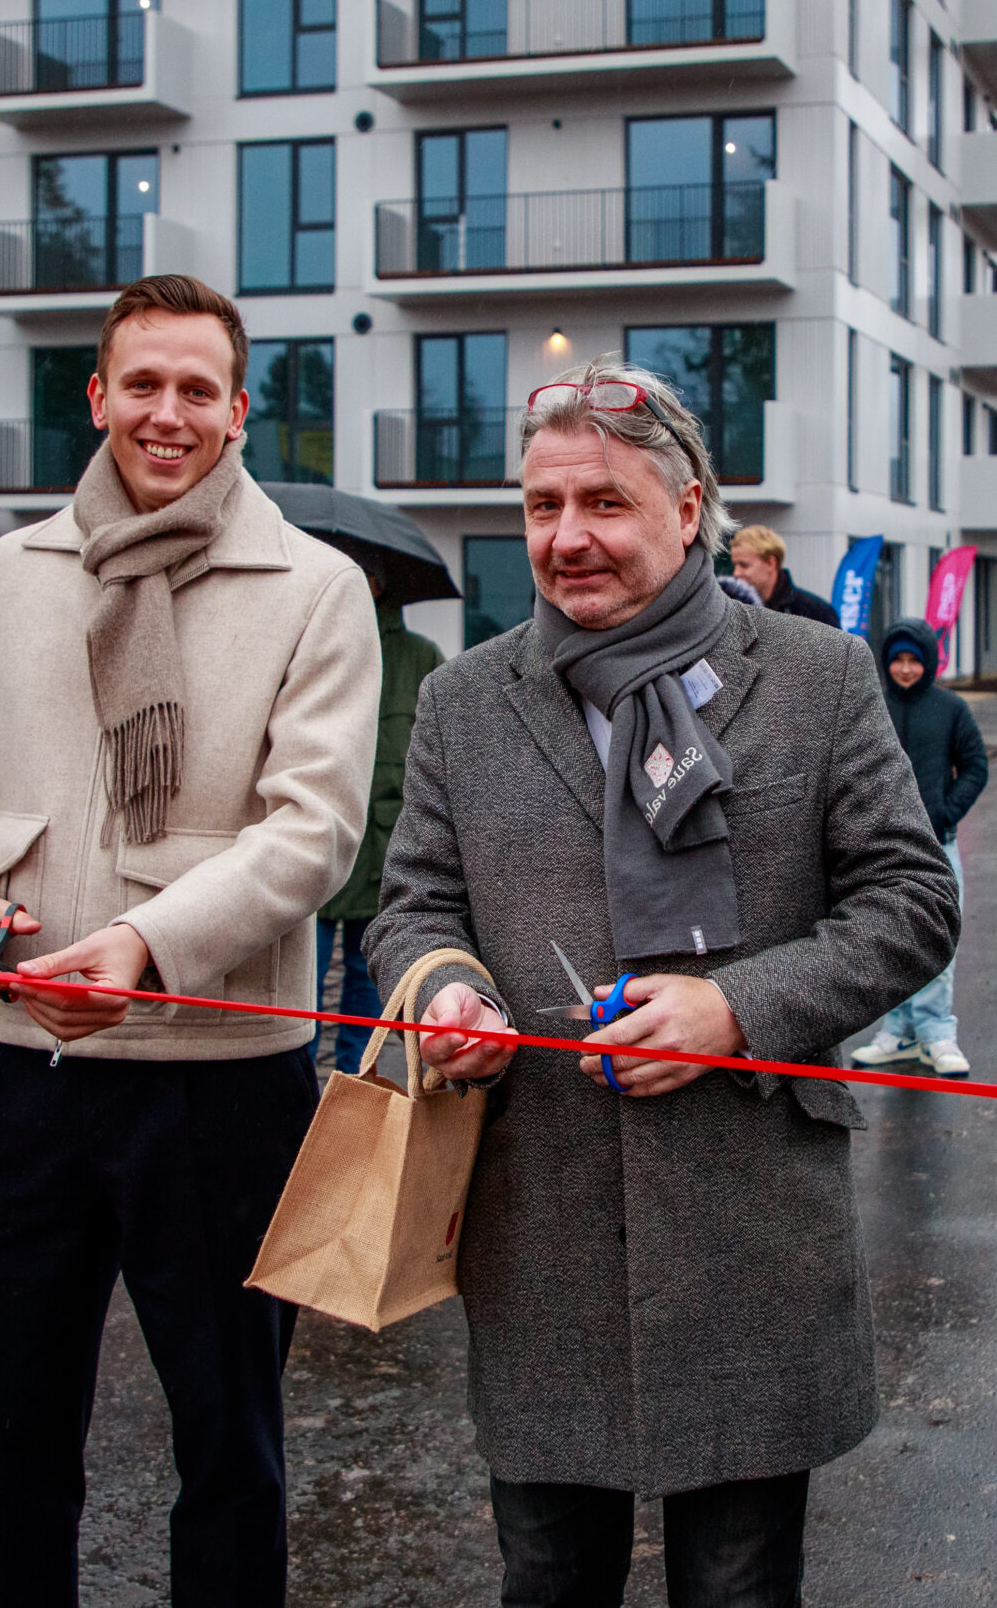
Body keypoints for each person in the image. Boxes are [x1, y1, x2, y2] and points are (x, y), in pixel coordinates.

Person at [367, 356, 960, 1608]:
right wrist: (441, 990)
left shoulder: (817, 675)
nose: (566, 538)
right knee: (546, 1577)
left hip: (751, 1218)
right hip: (540, 1223)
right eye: (541, 508)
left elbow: (912, 903)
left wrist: (737, 1007)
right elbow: (413, 899)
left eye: (605, 505)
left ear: (688, 508)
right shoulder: (467, 700)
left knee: (739, 1589)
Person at [0, 274, 379, 1607]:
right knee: (13, 1432)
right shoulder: (6, 573)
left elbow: (316, 831)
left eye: (197, 388)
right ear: (96, 395)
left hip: (226, 1078)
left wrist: (149, 946)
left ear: (240, 410)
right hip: (23, 1069)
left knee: (231, 1443)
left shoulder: (317, 589)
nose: (168, 412)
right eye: (142, 383)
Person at [314, 574, 443, 1073]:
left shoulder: (420, 654)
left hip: (390, 838)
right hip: (324, 831)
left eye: (370, 572)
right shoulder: (322, 640)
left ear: (386, 581)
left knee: (368, 977)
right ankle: (308, 1087)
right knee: (309, 975)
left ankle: (354, 1083)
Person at [851, 617, 988, 1078]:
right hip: (883, 850)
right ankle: (899, 1031)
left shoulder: (950, 708)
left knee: (938, 942)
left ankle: (936, 1032)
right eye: (897, 661)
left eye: (914, 661)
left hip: (938, 846)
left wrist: (947, 812)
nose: (905, 669)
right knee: (891, 942)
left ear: (928, 663)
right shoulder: (872, 705)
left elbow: (975, 765)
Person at [727, 523, 840, 626]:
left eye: (744, 565)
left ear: (771, 563)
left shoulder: (816, 611)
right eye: (735, 565)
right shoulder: (730, 607)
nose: (736, 573)